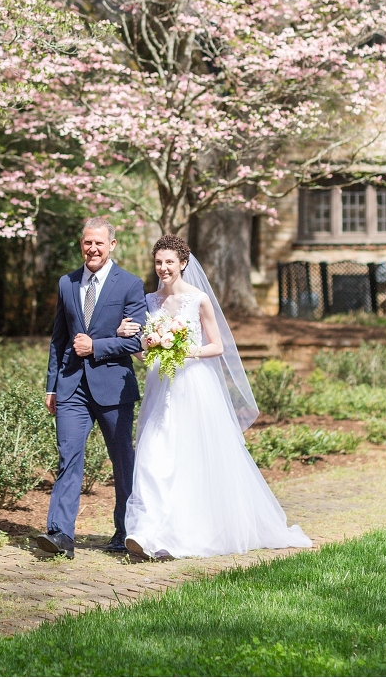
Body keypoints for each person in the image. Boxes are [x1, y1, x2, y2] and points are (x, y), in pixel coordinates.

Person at [120, 234, 312, 560]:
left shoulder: (198, 300)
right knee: (153, 454)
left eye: (170, 262)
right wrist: (137, 341)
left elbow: (218, 346)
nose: (163, 268)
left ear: (183, 263)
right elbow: (143, 353)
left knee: (188, 457)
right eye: (158, 262)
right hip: (160, 385)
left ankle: (185, 531)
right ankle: (146, 532)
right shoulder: (148, 300)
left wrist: (183, 349)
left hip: (193, 386)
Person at [37, 217, 147, 559]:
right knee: (68, 457)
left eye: (99, 242)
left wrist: (96, 347)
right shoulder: (67, 283)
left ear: (112, 245)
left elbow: (139, 340)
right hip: (71, 388)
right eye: (87, 242)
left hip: (114, 388)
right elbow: (58, 338)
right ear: (81, 244)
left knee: (121, 460)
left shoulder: (130, 284)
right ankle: (60, 536)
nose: (93, 248)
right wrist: (51, 385)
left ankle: (125, 531)